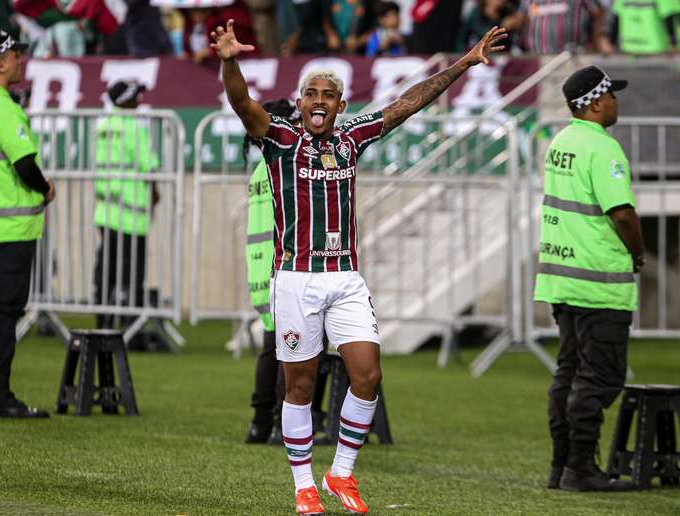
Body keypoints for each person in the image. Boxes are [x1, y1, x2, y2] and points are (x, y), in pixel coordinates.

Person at [211, 17, 507, 515]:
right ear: (300, 101)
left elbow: (408, 103)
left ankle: (340, 473)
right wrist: (230, 62)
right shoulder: (279, 140)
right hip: (296, 278)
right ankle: (303, 486)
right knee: (299, 385)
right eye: (311, 93)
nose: (319, 100)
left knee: (367, 376)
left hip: (345, 278)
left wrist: (462, 63)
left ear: (340, 105)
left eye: (329, 94)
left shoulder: (352, 138)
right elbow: (242, 103)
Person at [534, 65, 645, 492]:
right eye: (612, 95)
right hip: (598, 279)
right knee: (600, 377)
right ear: (597, 103)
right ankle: (580, 468)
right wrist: (637, 252)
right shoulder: (604, 149)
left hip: (562, 279)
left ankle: (562, 466)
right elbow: (621, 212)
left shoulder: (560, 142)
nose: (617, 101)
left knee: (569, 372)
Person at [0, 30, 55, 418]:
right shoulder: (3, 108)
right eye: (16, 55)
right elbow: (23, 164)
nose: (21, 60)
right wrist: (44, 189)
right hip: (11, 225)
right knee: (3, 312)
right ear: (0, 62)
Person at [244, 98, 299, 444]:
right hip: (284, 268)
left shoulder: (259, 170)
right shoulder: (284, 164)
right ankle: (282, 425)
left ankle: (260, 423)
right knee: (292, 351)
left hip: (260, 271)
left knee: (271, 348)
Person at [92, 80, 159, 336]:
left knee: (106, 268)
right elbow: (148, 167)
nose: (139, 101)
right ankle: (131, 323)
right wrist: (154, 195)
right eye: (135, 97)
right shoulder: (132, 127)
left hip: (106, 212)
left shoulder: (103, 126)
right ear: (124, 101)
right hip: (132, 214)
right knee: (133, 272)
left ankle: (103, 319)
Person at [610, 0, 680, 54]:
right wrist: (673, 43)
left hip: (630, 47)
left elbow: (616, 18)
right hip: (658, 49)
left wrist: (611, 43)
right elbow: (669, 17)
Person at [458, 0, 522, 53]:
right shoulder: (476, 13)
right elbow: (480, 36)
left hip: (503, 55)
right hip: (480, 55)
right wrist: (501, 27)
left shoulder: (508, 11)